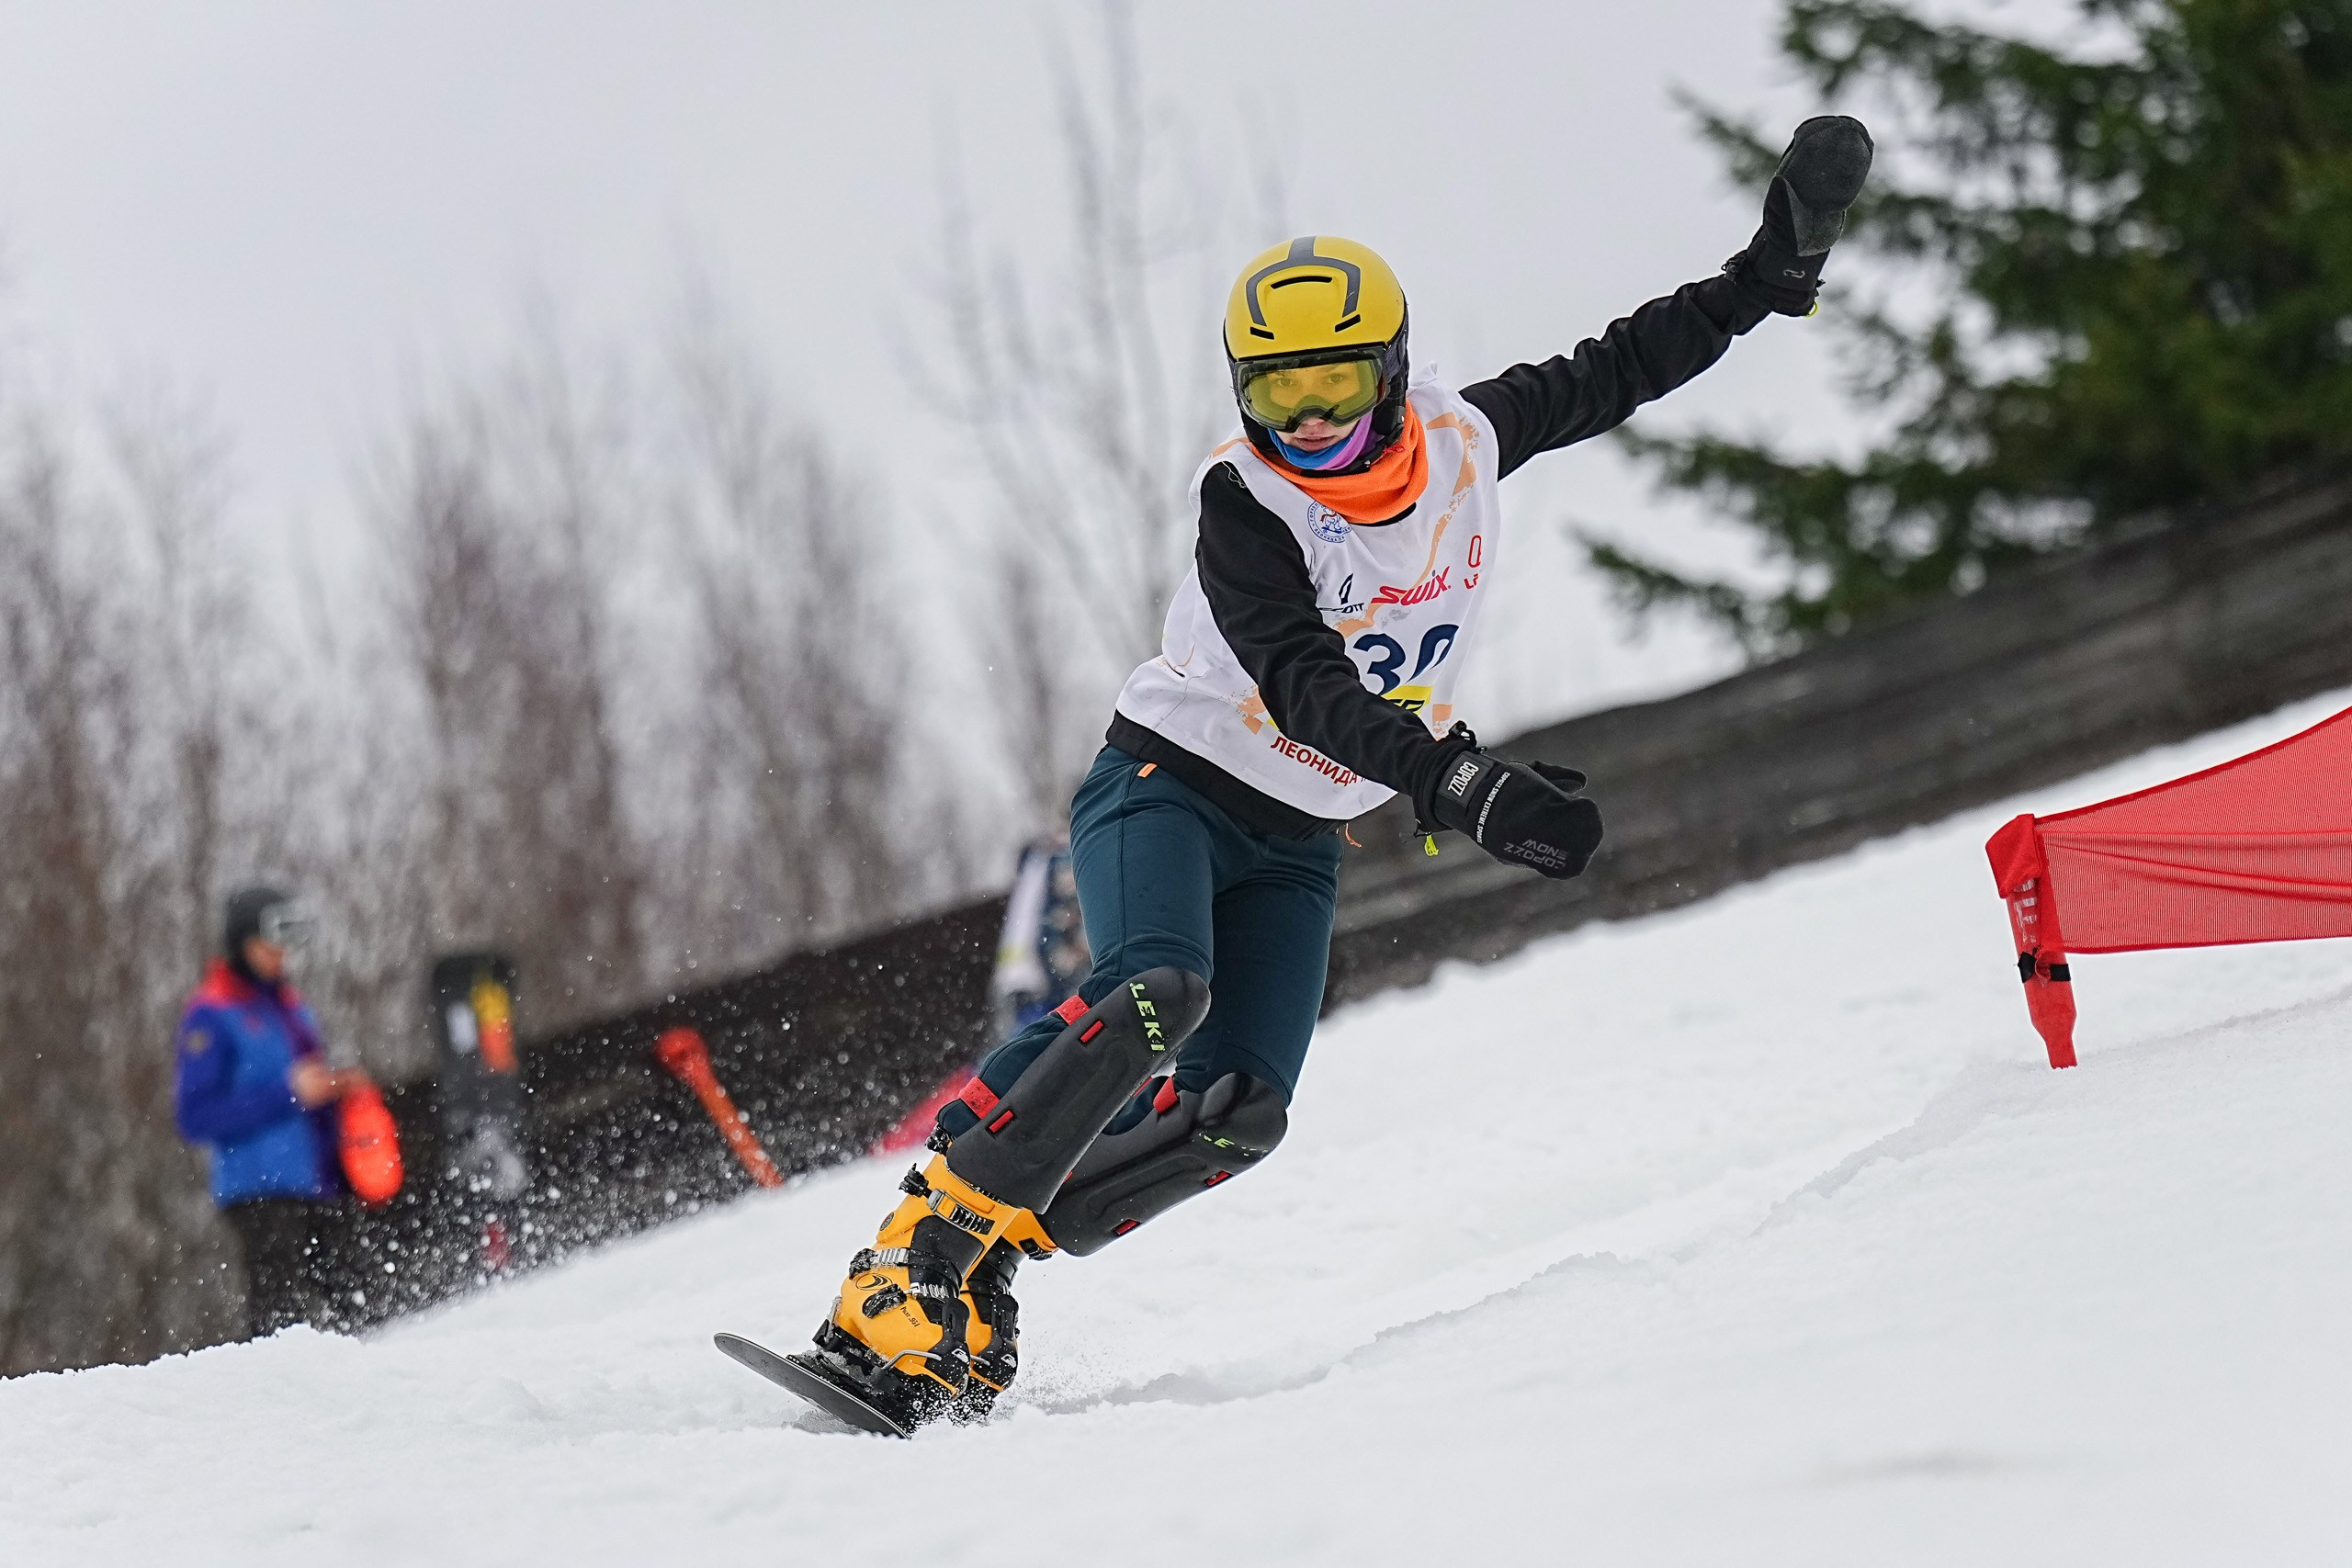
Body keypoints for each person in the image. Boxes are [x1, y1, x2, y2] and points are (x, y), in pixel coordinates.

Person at [788, 118, 1874, 1428]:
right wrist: (1456, 781)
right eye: (1275, 396)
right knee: (1154, 990)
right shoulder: (1245, 503)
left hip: (1300, 838)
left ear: (1394, 372)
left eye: (1337, 387)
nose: (1307, 422)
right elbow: (1309, 687)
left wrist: (1763, 279)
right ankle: (914, 1255)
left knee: (1236, 1111)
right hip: (1169, 787)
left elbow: (1619, 367)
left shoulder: (1465, 441)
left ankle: (992, 1263)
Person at [174, 885, 374, 1335]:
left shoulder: (290, 1005)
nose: (280, 955)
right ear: (241, 945)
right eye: (268, 945)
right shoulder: (210, 1014)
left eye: (284, 944)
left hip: (319, 1182)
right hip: (259, 1190)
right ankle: (269, 1381)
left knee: (362, 1298)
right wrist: (287, 1093)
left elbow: (308, 1084)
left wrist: (338, 1087)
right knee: (279, 1315)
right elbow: (195, 1115)